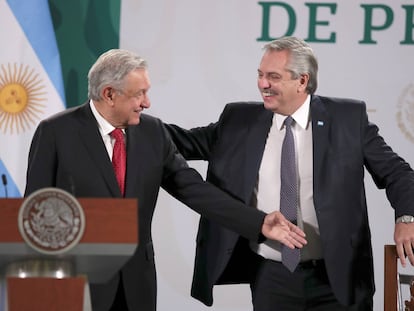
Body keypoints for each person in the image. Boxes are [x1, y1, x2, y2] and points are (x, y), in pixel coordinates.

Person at [24, 49, 308, 311]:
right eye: (139, 94)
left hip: (136, 284)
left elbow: (195, 190)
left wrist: (258, 222)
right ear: (109, 94)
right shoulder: (56, 133)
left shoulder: (152, 132)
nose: (147, 103)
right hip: (75, 283)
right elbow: (35, 216)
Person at [166, 36, 414, 310]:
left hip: (339, 278)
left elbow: (398, 172)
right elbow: (181, 141)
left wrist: (406, 217)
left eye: (273, 77)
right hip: (271, 275)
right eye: (260, 75)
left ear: (302, 81)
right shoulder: (239, 120)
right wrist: (126, 116)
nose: (263, 84)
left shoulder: (347, 119)